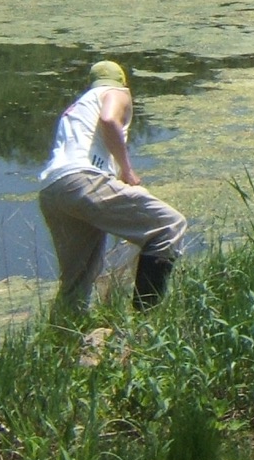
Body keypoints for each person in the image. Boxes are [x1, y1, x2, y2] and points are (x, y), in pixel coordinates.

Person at [37, 60, 186, 311]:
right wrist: (127, 171)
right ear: (123, 82)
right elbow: (108, 120)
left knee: (77, 278)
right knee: (168, 225)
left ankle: (65, 331)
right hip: (82, 179)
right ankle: (147, 317)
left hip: (52, 189)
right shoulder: (116, 92)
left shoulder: (77, 106)